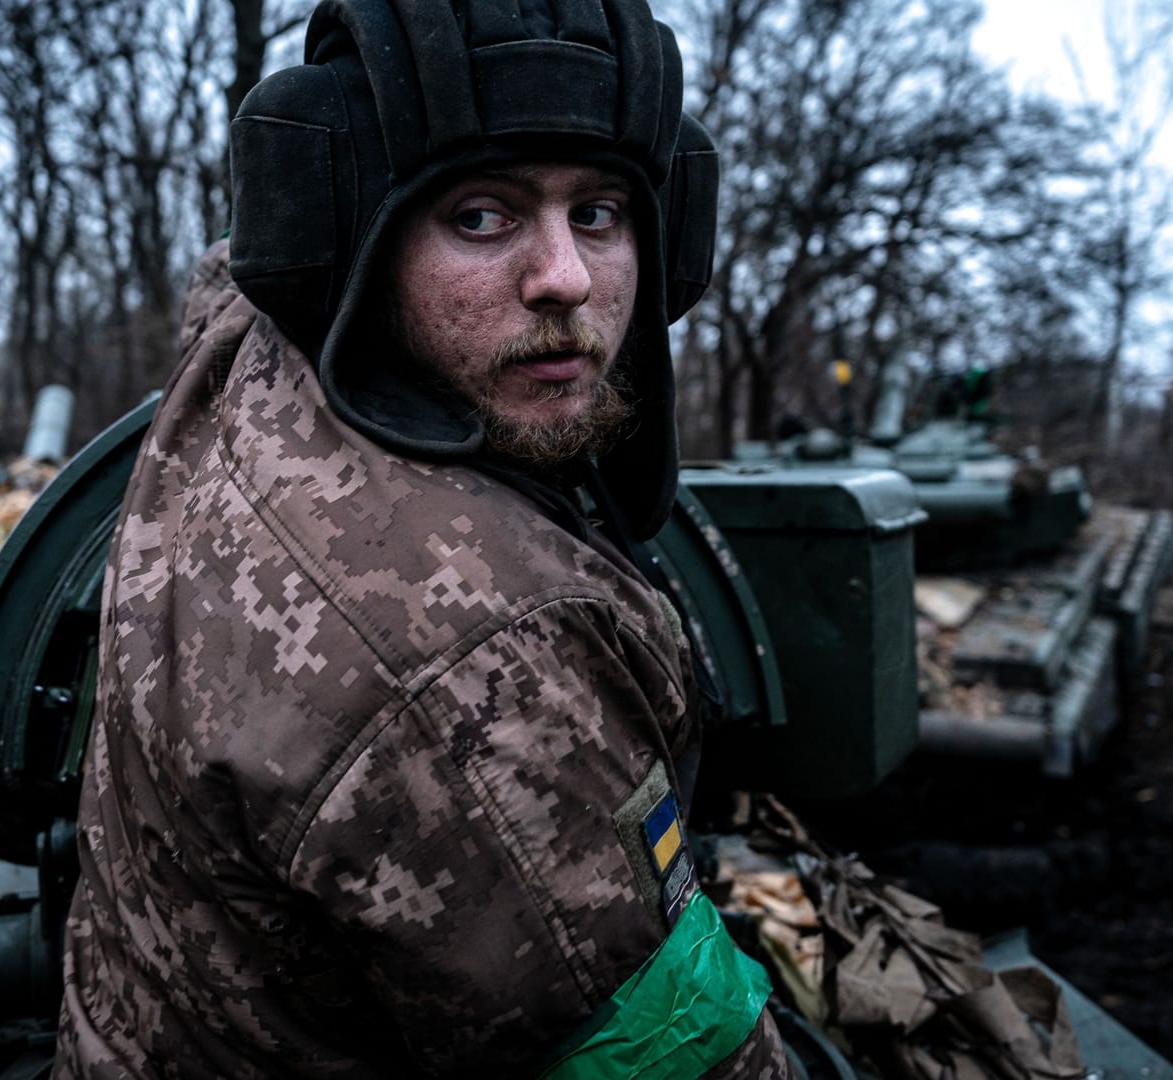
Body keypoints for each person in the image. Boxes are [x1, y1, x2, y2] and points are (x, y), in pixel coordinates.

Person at [57, 0, 791, 1075]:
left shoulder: (258, 344)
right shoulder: (482, 666)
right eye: (482, 216)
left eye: (599, 213)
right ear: (351, 232)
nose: (565, 281)